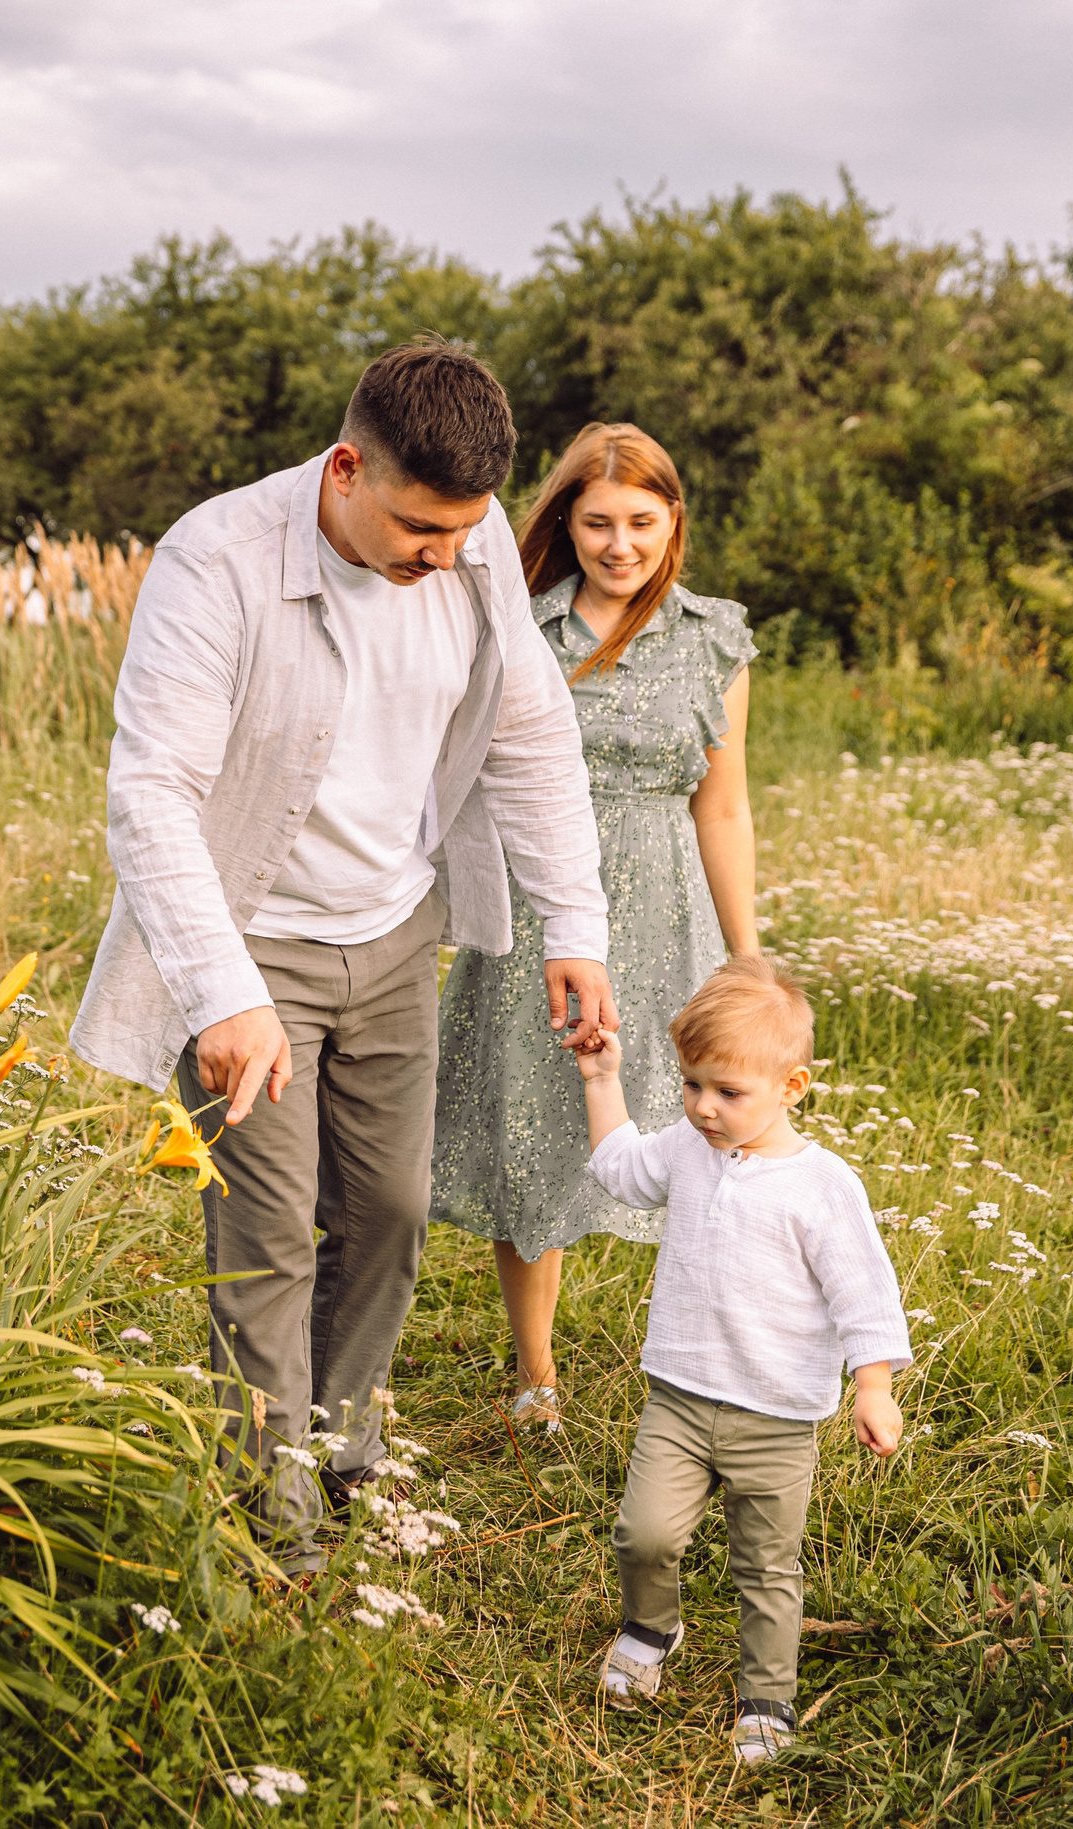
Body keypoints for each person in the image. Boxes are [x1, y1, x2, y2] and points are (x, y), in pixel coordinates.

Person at [71, 339, 617, 1567]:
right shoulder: (215, 560)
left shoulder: (467, 547)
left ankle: (340, 1436)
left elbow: (531, 738)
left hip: (394, 928)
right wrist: (221, 993)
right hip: (250, 938)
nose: (446, 555)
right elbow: (151, 793)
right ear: (344, 467)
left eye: (463, 530)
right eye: (421, 527)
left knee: (390, 1211)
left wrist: (570, 923)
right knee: (265, 1231)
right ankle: (273, 1509)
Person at [430, 423, 761, 1433]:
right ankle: (536, 1375)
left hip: (669, 908)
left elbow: (724, 805)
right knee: (532, 1130)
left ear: (673, 523)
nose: (621, 544)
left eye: (641, 522)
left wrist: (748, 958)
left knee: (706, 1132)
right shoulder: (518, 630)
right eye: (597, 522)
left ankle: (710, 1362)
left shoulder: (714, 637)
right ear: (565, 524)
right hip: (543, 917)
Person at [569, 957, 910, 1761]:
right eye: (692, 1086)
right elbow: (620, 1169)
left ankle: (766, 1697)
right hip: (680, 1399)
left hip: (776, 1418)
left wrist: (874, 1384)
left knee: (767, 1567)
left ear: (791, 1086)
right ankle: (652, 1627)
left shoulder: (823, 1187)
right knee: (642, 1534)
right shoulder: (688, 1149)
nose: (704, 1108)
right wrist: (600, 1079)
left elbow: (864, 1292)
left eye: (728, 1092)